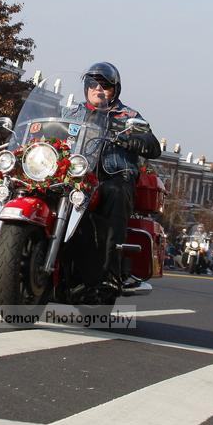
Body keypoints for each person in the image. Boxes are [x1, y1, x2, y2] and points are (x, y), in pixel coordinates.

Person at [73, 62, 161, 293]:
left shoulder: (128, 116)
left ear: (115, 90)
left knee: (116, 193)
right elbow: (48, 132)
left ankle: (111, 272)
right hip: (75, 176)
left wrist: (135, 140)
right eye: (92, 83)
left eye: (104, 85)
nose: (97, 89)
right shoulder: (71, 112)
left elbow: (152, 145)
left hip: (112, 177)